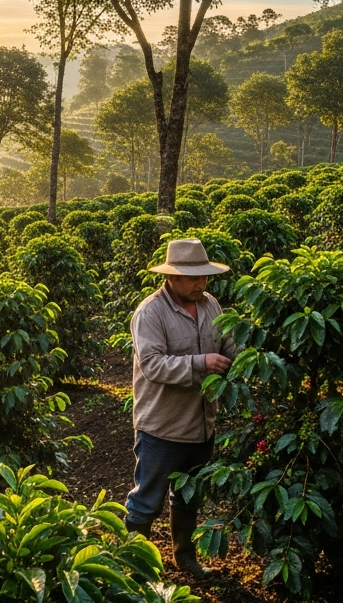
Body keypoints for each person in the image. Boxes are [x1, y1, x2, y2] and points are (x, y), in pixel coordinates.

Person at [126, 238, 241, 575]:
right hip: (163, 428)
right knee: (147, 500)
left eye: (204, 277)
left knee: (188, 495)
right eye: (193, 279)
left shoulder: (211, 306)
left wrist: (243, 359)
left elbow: (228, 344)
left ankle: (185, 557)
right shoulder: (151, 313)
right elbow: (153, 366)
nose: (201, 284)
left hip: (202, 423)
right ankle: (134, 565)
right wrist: (201, 363)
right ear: (171, 277)